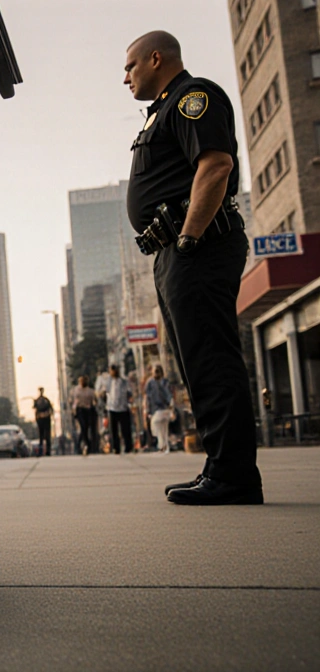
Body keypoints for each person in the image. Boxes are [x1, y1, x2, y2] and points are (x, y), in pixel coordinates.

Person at [123, 30, 262, 504]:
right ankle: (221, 467)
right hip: (178, 251)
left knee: (212, 358)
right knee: (196, 363)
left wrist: (187, 239)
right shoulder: (163, 109)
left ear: (156, 58)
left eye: (131, 66)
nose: (125, 77)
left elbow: (216, 165)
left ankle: (234, 476)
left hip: (199, 245)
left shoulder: (191, 97)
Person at [101, 364, 134, 455]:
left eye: (115, 370)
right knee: (114, 430)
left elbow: (129, 392)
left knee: (125, 429)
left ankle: (128, 447)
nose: (114, 372)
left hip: (123, 408)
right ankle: (116, 447)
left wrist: (130, 399)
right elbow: (104, 392)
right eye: (112, 370)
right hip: (112, 408)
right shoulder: (108, 382)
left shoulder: (123, 381)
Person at [145, 364, 174, 453]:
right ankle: (163, 445)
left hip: (164, 408)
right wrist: (147, 409)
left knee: (163, 427)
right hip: (155, 408)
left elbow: (169, 394)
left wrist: (171, 406)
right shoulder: (150, 383)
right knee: (158, 426)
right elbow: (147, 396)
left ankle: (164, 445)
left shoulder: (165, 382)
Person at [70, 376, 98, 455]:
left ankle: (83, 445)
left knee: (85, 428)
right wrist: (74, 410)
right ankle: (84, 444)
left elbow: (94, 401)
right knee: (83, 426)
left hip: (88, 410)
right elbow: (74, 401)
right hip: (80, 410)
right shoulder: (76, 390)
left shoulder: (90, 391)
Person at [33, 387, 53, 456]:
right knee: (42, 436)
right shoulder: (40, 400)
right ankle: (42, 451)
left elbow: (50, 409)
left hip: (45, 419)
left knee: (46, 436)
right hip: (42, 419)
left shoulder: (45, 400)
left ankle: (47, 451)